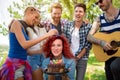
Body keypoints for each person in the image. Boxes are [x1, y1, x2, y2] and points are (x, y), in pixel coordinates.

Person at [0, 6, 58, 80]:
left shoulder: (24, 29)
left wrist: (40, 51)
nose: (36, 20)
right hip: (14, 65)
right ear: (29, 13)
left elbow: (26, 51)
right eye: (35, 17)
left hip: (23, 64)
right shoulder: (16, 23)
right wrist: (47, 35)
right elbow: (24, 45)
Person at [87, 0, 120, 80]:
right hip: (108, 57)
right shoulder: (99, 19)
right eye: (97, 3)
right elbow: (89, 36)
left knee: (115, 66)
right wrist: (101, 42)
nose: (99, 4)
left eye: (100, 1)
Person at [63, 3, 92, 80]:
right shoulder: (67, 25)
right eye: (76, 11)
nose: (78, 13)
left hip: (82, 57)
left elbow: (88, 45)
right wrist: (71, 57)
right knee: (68, 78)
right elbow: (65, 42)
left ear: (84, 14)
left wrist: (78, 57)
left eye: (80, 11)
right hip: (69, 56)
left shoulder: (88, 27)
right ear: (74, 13)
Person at [27, 13, 47, 80]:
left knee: (45, 77)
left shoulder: (42, 28)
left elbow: (46, 40)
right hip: (33, 56)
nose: (36, 19)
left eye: (38, 18)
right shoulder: (27, 28)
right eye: (35, 17)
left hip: (43, 55)